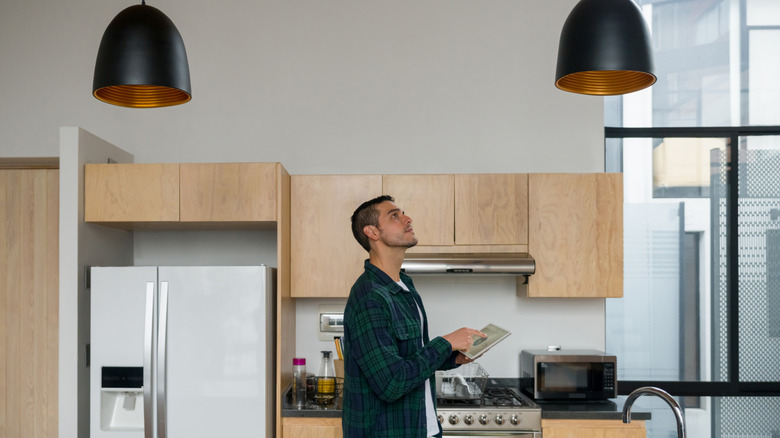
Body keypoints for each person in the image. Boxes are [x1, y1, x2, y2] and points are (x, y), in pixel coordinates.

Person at [342, 195, 486, 438]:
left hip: (421, 428)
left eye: (403, 213)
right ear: (372, 232)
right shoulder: (370, 297)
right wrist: (446, 342)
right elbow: (391, 383)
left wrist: (452, 358)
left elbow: (409, 357)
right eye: (395, 216)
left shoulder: (404, 286)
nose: (408, 219)